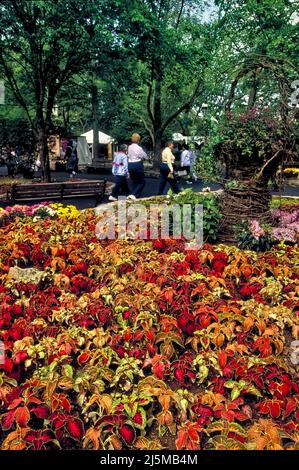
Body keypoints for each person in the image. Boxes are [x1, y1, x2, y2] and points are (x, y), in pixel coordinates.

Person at [127, 133, 147, 199]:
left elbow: (128, 155)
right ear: (139, 140)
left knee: (134, 181)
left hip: (130, 164)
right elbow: (144, 156)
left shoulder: (129, 147)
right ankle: (134, 194)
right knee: (142, 181)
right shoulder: (139, 148)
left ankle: (133, 195)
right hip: (137, 164)